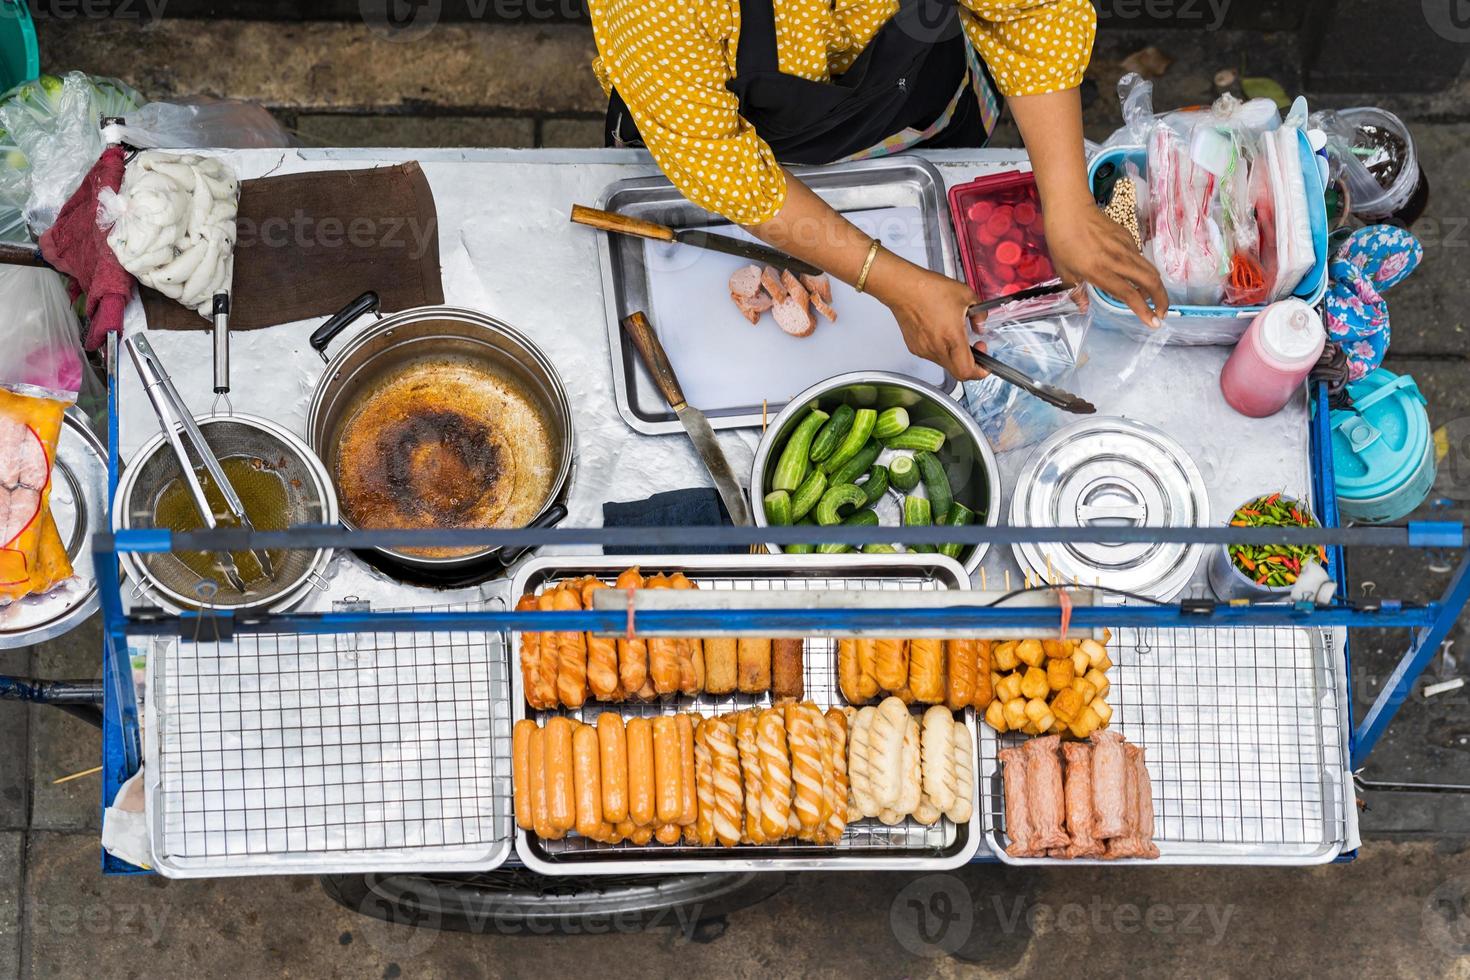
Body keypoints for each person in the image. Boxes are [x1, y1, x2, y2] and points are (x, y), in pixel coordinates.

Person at [589, 0, 1169, 380]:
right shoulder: (653, 9)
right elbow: (726, 166)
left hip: (918, 108)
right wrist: (893, 283)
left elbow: (1030, 13)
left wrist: (1065, 202)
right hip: (732, 139)